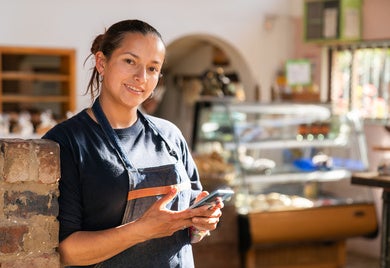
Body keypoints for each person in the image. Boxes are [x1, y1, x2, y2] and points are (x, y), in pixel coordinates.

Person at [42, 19, 224, 268]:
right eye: (130, 61)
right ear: (102, 63)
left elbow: (192, 225)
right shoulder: (66, 142)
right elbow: (66, 252)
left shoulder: (169, 136)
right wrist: (141, 230)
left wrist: (202, 222)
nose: (141, 77)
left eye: (152, 68)